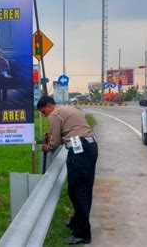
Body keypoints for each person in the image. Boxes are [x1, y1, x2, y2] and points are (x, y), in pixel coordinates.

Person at [37, 96, 97, 245]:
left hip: (79, 150)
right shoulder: (69, 108)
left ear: (49, 106)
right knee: (85, 188)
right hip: (91, 147)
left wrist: (47, 147)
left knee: (76, 191)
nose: (45, 115)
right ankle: (77, 222)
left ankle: (82, 233)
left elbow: (55, 141)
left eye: (44, 112)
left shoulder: (55, 114)